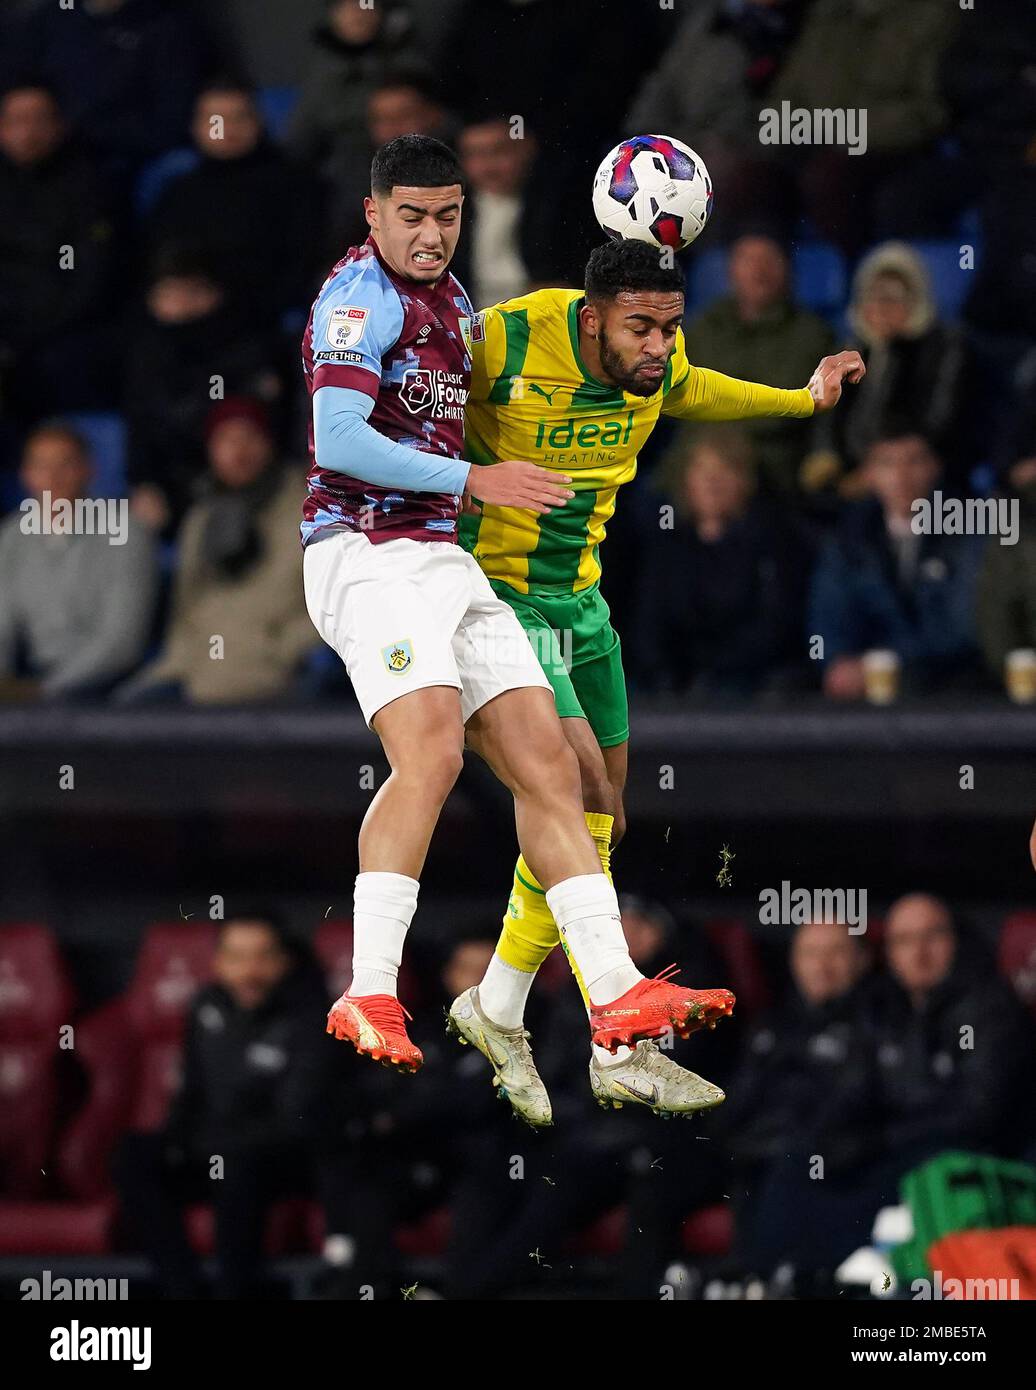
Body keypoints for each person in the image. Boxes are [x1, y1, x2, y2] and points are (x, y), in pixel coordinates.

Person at [302, 135, 734, 1087]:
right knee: (436, 752)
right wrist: (476, 476)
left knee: (558, 772)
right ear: (373, 215)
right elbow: (336, 436)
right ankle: (368, 983)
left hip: (442, 557)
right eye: (411, 216)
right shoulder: (357, 301)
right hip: (364, 551)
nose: (431, 234)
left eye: (448, 215)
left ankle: (613, 989)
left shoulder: (454, 301)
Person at [452, 236, 864, 1122]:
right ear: (591, 316)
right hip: (493, 601)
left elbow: (699, 388)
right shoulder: (503, 338)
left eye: (669, 327)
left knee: (602, 818)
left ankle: (498, 1005)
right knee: (571, 785)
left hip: (581, 602)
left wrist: (802, 399)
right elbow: (395, 406)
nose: (657, 346)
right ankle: (617, 1023)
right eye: (640, 327)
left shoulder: (658, 358)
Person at [115, 912, 334, 1299]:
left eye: (262, 957)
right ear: (217, 963)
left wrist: (216, 1142)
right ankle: (181, 1288)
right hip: (211, 1149)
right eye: (236, 958)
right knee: (134, 1155)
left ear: (284, 962)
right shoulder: (205, 1006)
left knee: (237, 1164)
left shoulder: (310, 1017)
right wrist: (177, 1142)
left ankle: (236, 1293)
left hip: (281, 1162)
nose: (249, 971)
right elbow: (191, 1092)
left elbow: (294, 1119)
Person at [118, 398, 317, 706]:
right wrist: (180, 662)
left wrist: (283, 648)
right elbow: (185, 610)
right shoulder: (202, 516)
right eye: (226, 439)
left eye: (250, 437)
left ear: (270, 444)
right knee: (123, 715)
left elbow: (331, 604)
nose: (239, 450)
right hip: (198, 669)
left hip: (282, 669)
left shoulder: (309, 508)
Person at [808, 430, 985, 700]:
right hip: (866, 689)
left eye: (914, 461)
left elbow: (964, 629)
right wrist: (833, 661)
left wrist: (886, 663)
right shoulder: (847, 539)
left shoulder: (970, 531)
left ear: (934, 468)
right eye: (887, 464)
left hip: (953, 684)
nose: (901, 477)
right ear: (868, 474)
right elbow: (825, 625)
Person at [635, 427, 808, 698]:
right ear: (686, 480)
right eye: (702, 470)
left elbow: (776, 626)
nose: (711, 482)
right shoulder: (668, 542)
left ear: (745, 480)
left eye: (724, 470)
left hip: (750, 684)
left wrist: (714, 673)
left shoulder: (773, 541)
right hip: (677, 686)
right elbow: (650, 623)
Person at [125, 249, 284, 535]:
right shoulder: (145, 358)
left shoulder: (248, 348)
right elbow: (141, 431)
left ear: (218, 293)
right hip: (173, 486)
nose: (183, 306)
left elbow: (259, 429)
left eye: (194, 292)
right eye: (171, 295)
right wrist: (146, 482)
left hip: (247, 480)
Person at [0, 423, 157, 700]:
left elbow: (122, 643)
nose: (53, 477)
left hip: (109, 684)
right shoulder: (11, 537)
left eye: (66, 464)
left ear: (89, 469)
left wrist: (46, 690)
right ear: (26, 475)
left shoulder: (126, 533)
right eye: (41, 466)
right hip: (33, 679)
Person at [147, 78, 323, 318]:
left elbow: (301, 268)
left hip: (254, 317)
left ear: (258, 122)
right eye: (215, 121)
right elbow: (154, 259)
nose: (228, 128)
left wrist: (223, 299)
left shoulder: (296, 186)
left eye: (240, 117)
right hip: (176, 316)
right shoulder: (179, 191)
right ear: (196, 126)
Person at [0, 83, 121, 421]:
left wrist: (31, 327)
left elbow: (83, 273)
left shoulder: (88, 186)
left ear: (60, 125)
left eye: (38, 120)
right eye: (16, 121)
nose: (27, 132)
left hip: (61, 324)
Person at [811, 242, 969, 493]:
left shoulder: (943, 348)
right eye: (873, 297)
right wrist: (826, 454)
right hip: (854, 473)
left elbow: (933, 426)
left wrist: (877, 470)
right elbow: (828, 418)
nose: (882, 308)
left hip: (913, 474)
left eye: (893, 298)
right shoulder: (854, 350)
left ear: (916, 300)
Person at [682, 233, 833, 494]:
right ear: (730, 269)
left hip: (771, 468)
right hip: (695, 459)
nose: (759, 270)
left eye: (769, 259)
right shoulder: (701, 328)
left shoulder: (812, 335)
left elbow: (799, 407)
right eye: (749, 260)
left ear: (788, 268)